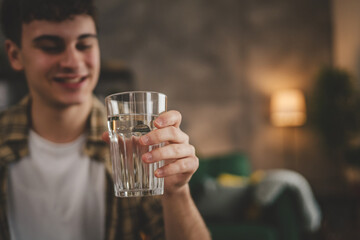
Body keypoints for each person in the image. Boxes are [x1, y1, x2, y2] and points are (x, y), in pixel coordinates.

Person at [0, 0, 211, 239]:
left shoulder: (136, 143)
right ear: (15, 55)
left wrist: (177, 193)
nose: (73, 62)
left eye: (84, 44)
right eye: (50, 46)